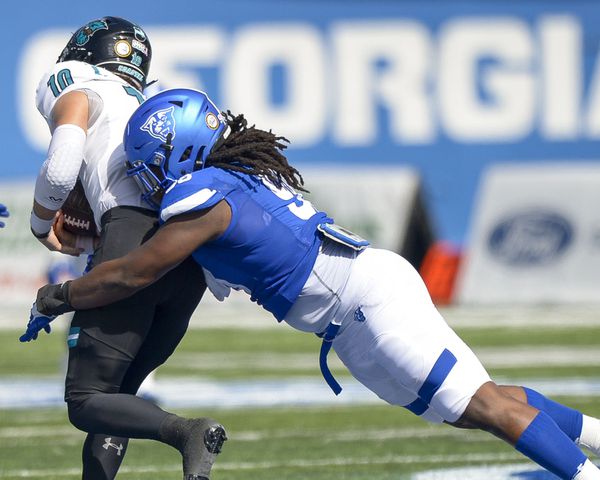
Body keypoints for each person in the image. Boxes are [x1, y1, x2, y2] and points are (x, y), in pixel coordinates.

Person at [26, 88, 600, 480]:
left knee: (484, 406)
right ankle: (594, 438)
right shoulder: (233, 176)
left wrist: (61, 295)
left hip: (366, 303)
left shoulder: (197, 195)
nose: (144, 175)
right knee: (475, 407)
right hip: (353, 313)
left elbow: (136, 271)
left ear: (179, 151)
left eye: (150, 159)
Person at [25, 21, 226, 480]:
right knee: (117, 398)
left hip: (131, 236)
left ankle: (186, 431)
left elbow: (60, 168)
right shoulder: (145, 102)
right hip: (187, 247)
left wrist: (41, 223)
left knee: (86, 400)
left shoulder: (75, 78)